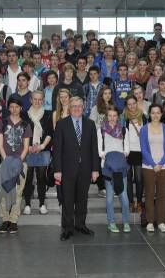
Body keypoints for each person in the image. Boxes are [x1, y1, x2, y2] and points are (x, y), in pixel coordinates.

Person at [53, 96, 99, 241]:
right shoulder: (61, 124)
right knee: (67, 200)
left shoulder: (90, 124)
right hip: (67, 169)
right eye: (74, 106)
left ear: (83, 107)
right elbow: (58, 149)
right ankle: (67, 228)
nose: (77, 108)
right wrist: (57, 170)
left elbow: (94, 148)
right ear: (69, 107)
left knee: (82, 199)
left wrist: (95, 169)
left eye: (79, 106)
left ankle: (80, 225)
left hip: (85, 169)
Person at [0, 97, 32, 234]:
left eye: (17, 107)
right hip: (6, 161)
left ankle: (13, 220)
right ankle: (5, 219)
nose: (14, 109)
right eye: (11, 107)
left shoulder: (25, 125)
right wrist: (6, 161)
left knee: (17, 192)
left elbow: (26, 146)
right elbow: (0, 145)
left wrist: (18, 162)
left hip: (20, 162)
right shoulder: (2, 123)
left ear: (21, 108)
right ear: (9, 108)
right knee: (5, 190)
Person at [97, 106, 131, 233]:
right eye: (110, 115)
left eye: (114, 115)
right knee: (110, 198)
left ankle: (126, 222)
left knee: (124, 197)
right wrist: (108, 156)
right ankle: (111, 222)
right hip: (107, 167)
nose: (112, 118)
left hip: (121, 167)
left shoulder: (123, 129)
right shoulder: (101, 130)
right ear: (107, 116)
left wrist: (120, 156)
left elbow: (127, 149)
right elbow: (100, 149)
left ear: (118, 116)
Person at [140, 104, 165, 233]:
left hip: (163, 166)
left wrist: (160, 163)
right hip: (148, 166)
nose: (155, 115)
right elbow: (143, 149)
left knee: (162, 195)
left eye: (158, 113)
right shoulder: (144, 129)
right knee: (148, 194)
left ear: (161, 114)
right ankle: (149, 221)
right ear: (149, 114)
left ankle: (161, 222)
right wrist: (153, 164)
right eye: (153, 113)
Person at [23, 91, 53, 215]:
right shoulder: (24, 115)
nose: (37, 101)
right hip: (28, 150)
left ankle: (41, 204)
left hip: (42, 149)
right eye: (35, 99)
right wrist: (28, 147)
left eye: (40, 99)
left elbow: (50, 133)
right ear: (31, 100)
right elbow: (21, 132)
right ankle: (27, 204)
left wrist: (41, 146)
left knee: (41, 178)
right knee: (28, 178)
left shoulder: (48, 114)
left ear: (43, 100)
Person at [122, 94, 147, 212]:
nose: (132, 106)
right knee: (127, 177)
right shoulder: (124, 118)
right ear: (127, 106)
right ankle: (131, 202)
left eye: (133, 103)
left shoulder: (144, 117)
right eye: (129, 104)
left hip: (140, 151)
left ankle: (140, 202)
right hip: (127, 151)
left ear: (137, 103)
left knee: (139, 178)